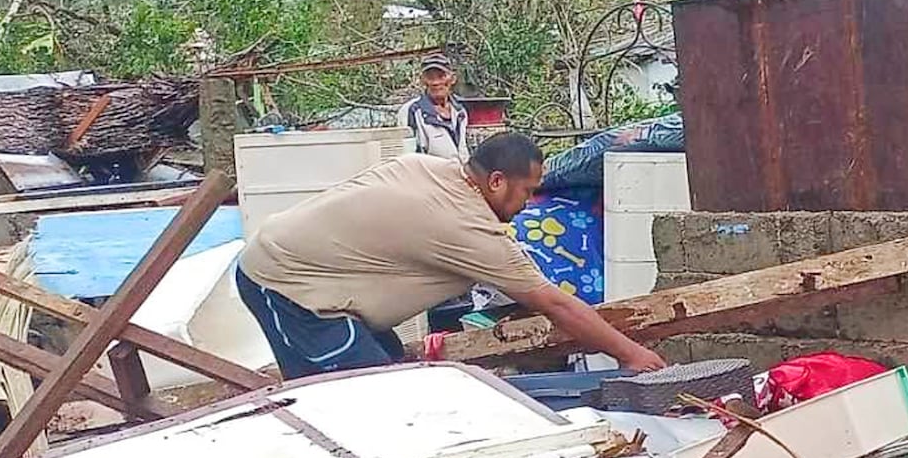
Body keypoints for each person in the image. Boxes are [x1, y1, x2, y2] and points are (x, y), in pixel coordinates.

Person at [236, 132, 666, 380]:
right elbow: (554, 303)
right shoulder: (465, 225)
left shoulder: (429, 167)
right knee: (355, 401)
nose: (530, 201)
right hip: (283, 285)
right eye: (528, 191)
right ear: (496, 181)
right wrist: (631, 355)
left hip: (315, 276)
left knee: (390, 369)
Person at [398, 53, 470, 161]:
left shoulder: (460, 112)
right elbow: (406, 155)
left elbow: (463, 150)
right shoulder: (411, 111)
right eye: (430, 77)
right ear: (423, 80)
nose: (435, 82)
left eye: (441, 76)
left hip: (457, 174)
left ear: (452, 79)